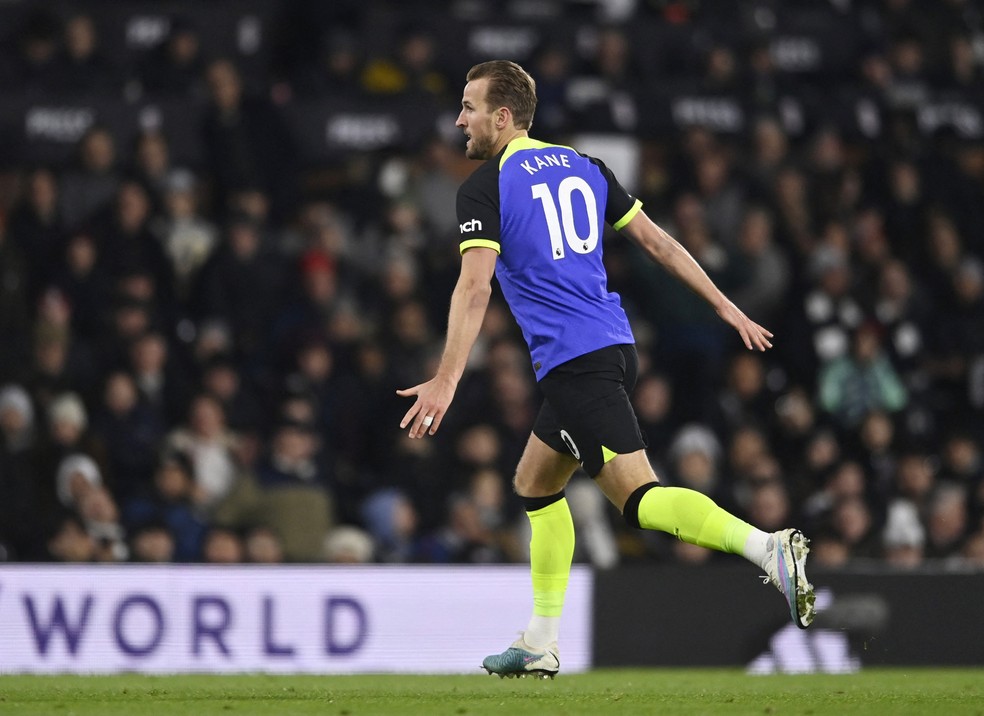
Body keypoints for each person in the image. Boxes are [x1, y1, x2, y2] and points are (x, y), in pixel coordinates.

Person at [396, 60, 816, 679]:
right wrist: (725, 304)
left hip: (576, 360)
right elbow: (659, 242)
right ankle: (540, 640)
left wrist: (448, 378)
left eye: (470, 107)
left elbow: (474, 285)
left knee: (640, 499)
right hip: (611, 348)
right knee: (536, 483)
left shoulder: (485, 186)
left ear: (503, 116)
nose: (460, 119)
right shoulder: (583, 167)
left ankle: (767, 548)